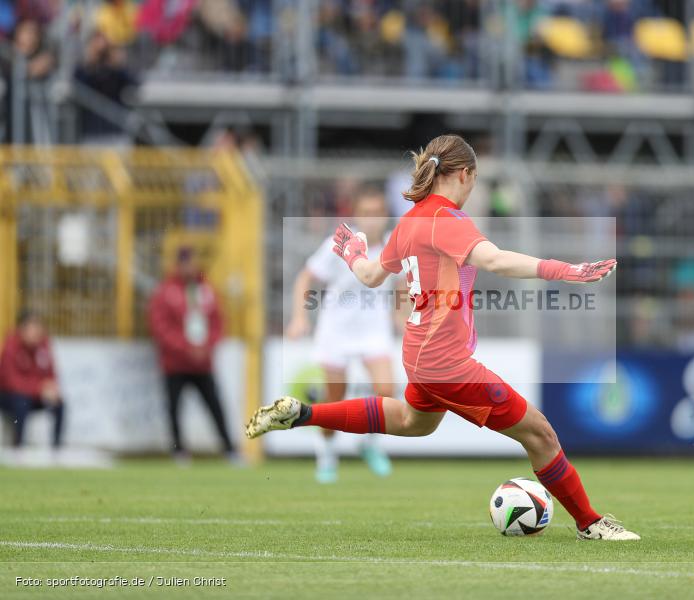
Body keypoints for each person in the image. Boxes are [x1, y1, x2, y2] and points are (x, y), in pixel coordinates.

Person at [248, 134, 639, 541]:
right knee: (540, 433)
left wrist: (352, 251)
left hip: (417, 353)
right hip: (446, 361)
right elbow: (496, 260)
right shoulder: (446, 220)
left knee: (413, 422)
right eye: (474, 180)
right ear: (465, 175)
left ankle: (303, 413)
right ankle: (590, 523)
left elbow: (368, 276)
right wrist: (567, 271)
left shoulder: (410, 221)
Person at [285, 187, 397, 483]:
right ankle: (326, 452)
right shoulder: (342, 244)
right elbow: (306, 277)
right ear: (357, 214)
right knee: (336, 399)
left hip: (373, 330)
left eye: (378, 213)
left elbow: (400, 288)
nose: (373, 219)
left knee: (387, 390)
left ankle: (368, 442)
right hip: (336, 329)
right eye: (367, 213)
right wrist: (299, 317)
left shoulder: (393, 247)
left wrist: (404, 316)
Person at [148, 246, 237, 463]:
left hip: (203, 363)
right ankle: (179, 451)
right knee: (174, 408)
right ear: (178, 265)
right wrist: (186, 348)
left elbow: (218, 321)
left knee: (215, 406)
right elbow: (160, 327)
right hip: (175, 363)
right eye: (185, 263)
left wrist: (207, 346)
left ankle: (230, 449)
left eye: (192, 262)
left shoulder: (207, 289)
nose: (190, 267)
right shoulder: (166, 291)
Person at [0, 311, 64, 449]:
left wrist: (51, 388)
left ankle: (57, 448)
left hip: (34, 395)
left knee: (59, 403)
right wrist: (39, 389)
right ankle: (18, 448)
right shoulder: (11, 345)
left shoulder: (44, 344)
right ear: (22, 330)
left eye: (39, 327)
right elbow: (11, 381)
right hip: (8, 396)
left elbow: (51, 373)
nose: (37, 331)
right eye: (33, 327)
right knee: (20, 401)